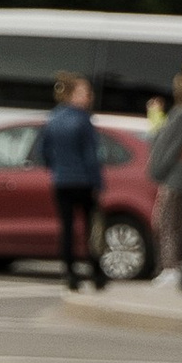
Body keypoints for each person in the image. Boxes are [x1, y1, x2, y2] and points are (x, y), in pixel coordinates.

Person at [31, 71, 107, 288]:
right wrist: (98, 183)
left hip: (62, 180)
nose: (89, 96)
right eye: (85, 92)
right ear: (73, 94)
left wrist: (56, 168)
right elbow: (91, 155)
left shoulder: (53, 118)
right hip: (84, 181)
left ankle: (70, 272)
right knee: (91, 228)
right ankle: (96, 271)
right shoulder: (83, 120)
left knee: (67, 228)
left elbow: (42, 151)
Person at [148, 59, 182, 276]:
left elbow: (165, 145)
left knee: (168, 224)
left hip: (176, 179)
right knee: (180, 224)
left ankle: (170, 267)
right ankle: (176, 265)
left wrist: (157, 170)